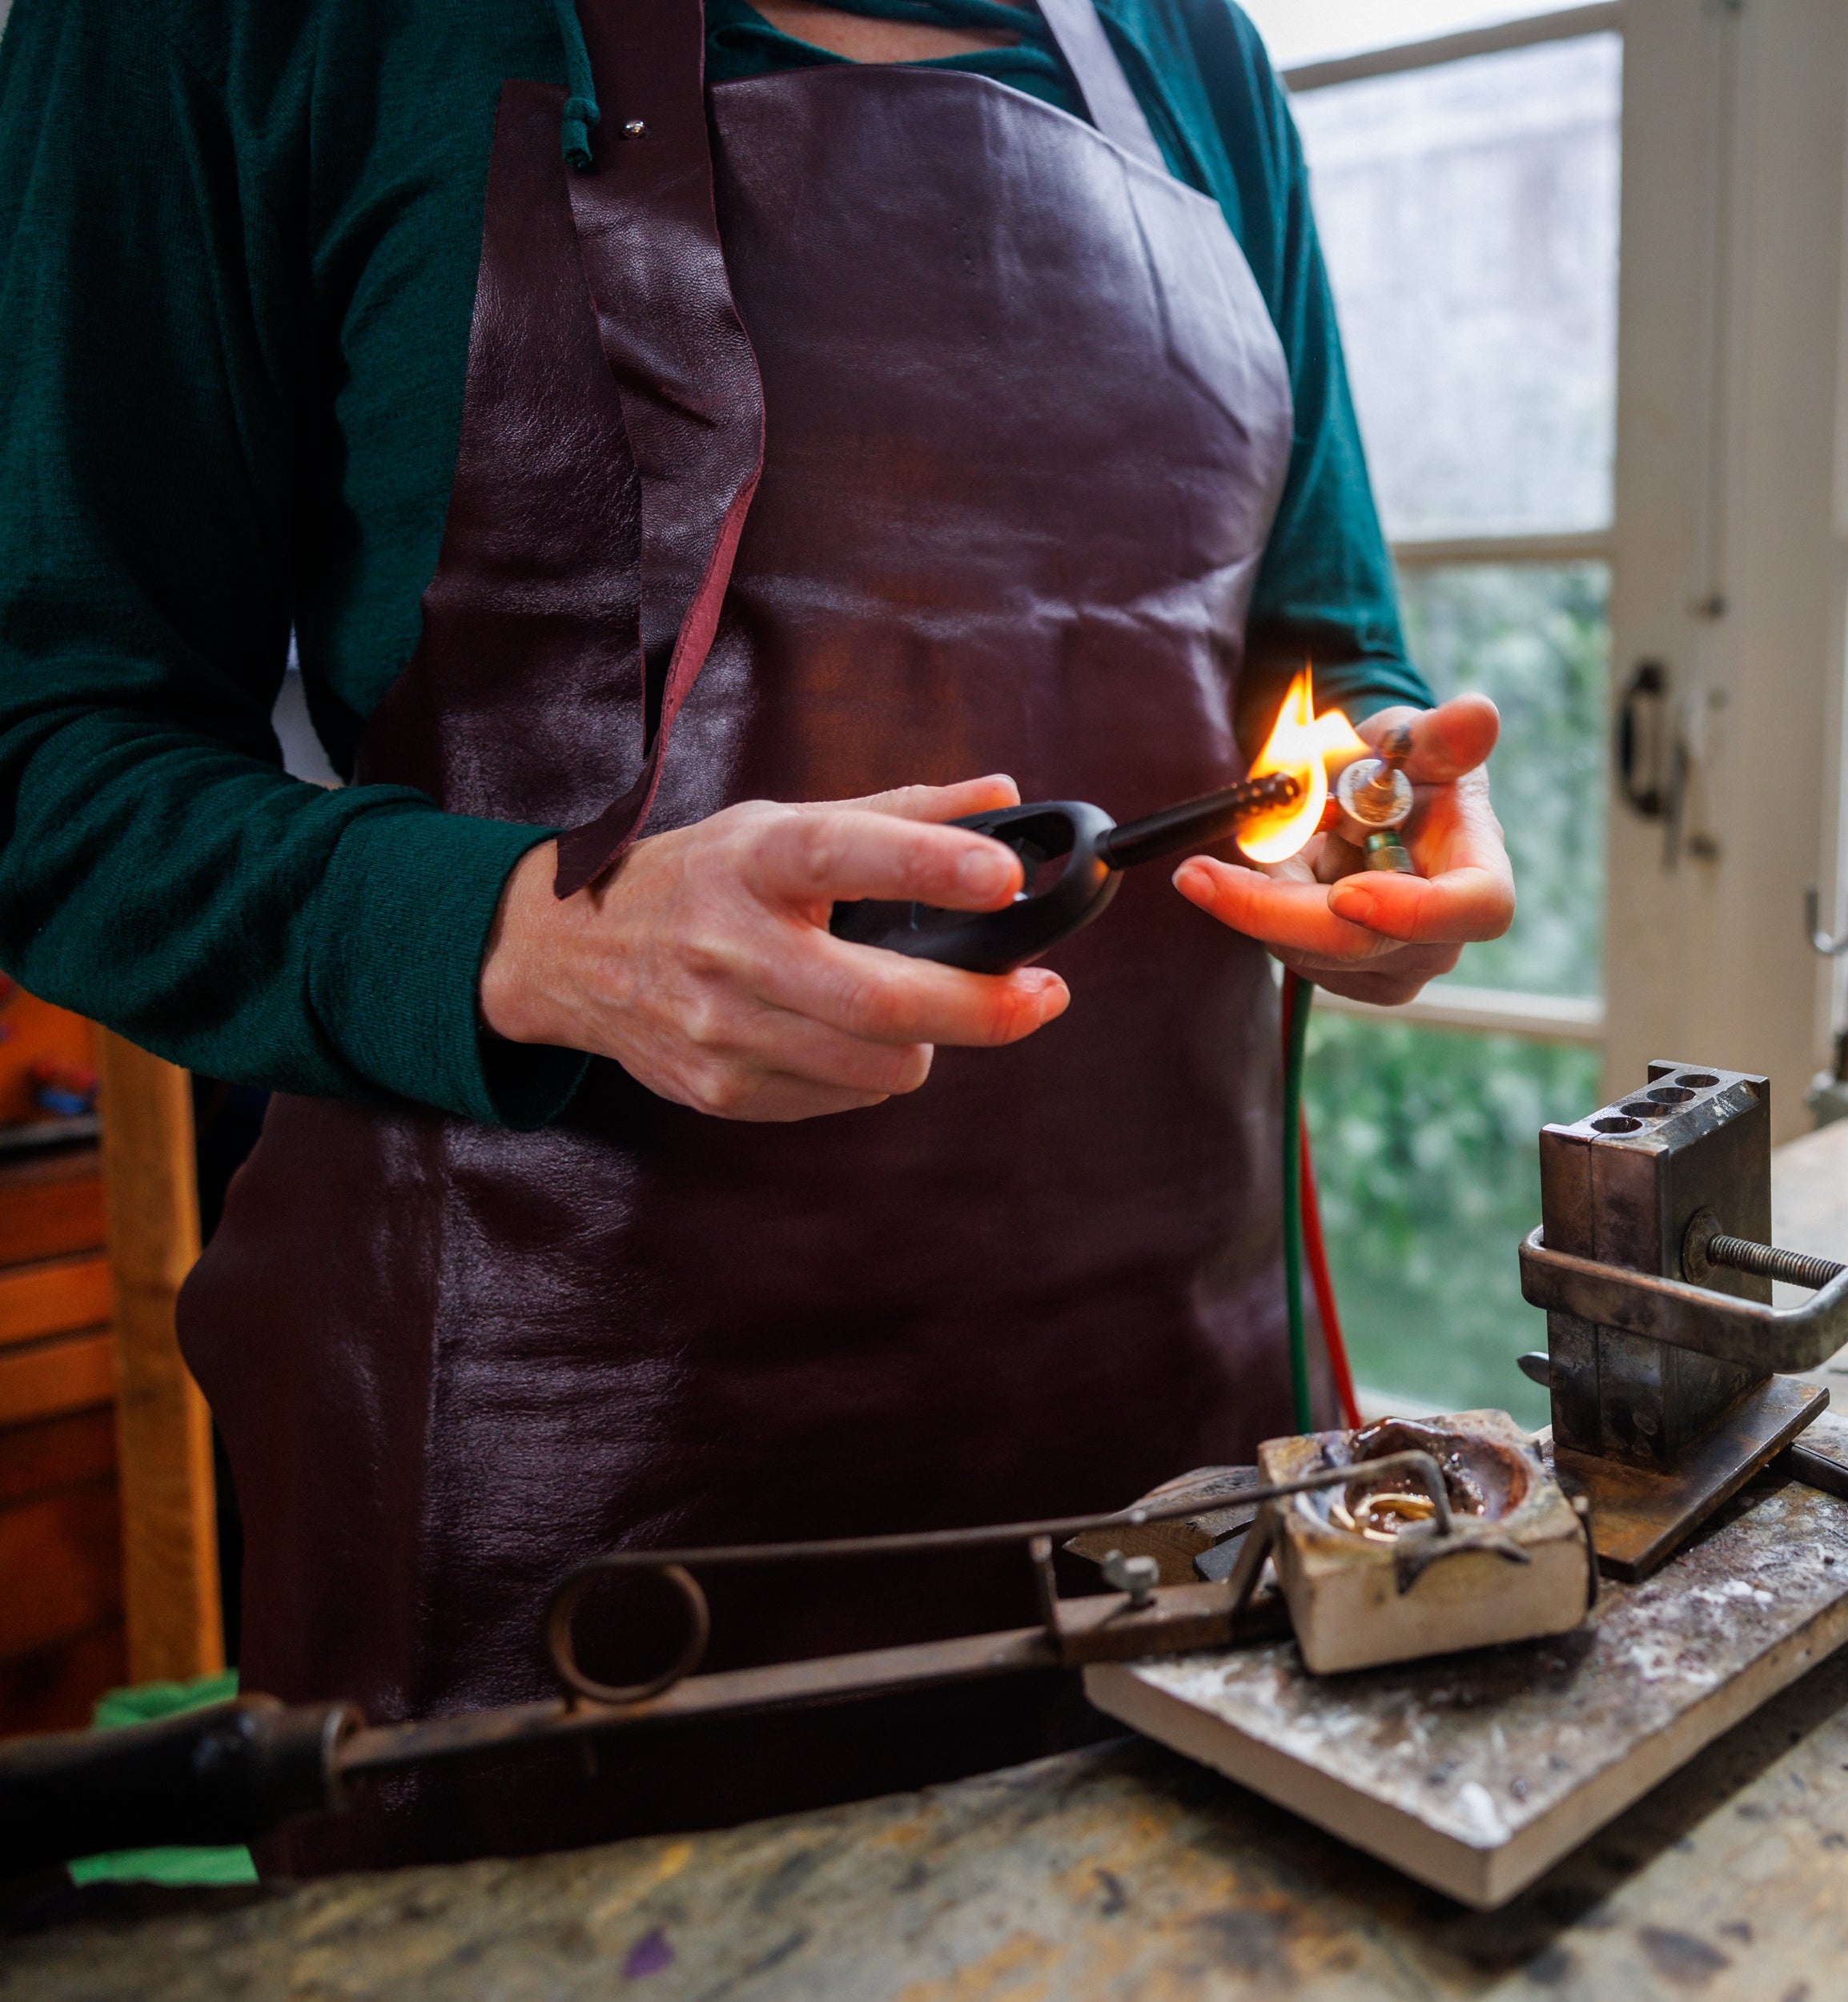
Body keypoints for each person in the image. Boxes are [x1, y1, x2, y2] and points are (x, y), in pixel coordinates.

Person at [0, 0, 1513, 1870]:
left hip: (1186, 1476)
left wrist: (1389, 797)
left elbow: (1324, 655)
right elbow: (46, 748)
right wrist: (534, 942)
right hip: (565, 1552)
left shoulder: (1190, 49)